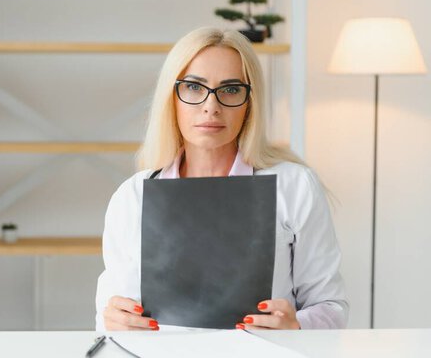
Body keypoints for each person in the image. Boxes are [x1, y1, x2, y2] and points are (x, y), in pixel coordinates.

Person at [95, 27, 348, 331]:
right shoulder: (133, 196)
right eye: (193, 87)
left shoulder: (293, 186)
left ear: (249, 103)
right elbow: (109, 316)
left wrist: (296, 326)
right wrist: (112, 320)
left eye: (230, 89)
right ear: (171, 98)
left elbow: (331, 308)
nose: (210, 106)